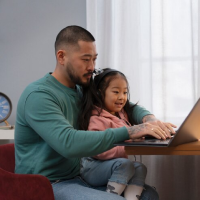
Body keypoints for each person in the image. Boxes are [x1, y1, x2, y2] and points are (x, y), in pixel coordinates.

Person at [14, 25, 176, 200]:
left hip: (80, 177)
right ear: (61, 57)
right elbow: (69, 143)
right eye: (85, 59)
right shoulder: (39, 95)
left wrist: (150, 120)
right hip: (48, 184)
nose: (91, 67)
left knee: (149, 195)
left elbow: (127, 106)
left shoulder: (82, 89)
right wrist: (130, 131)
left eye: (94, 59)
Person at [80, 68, 149, 200]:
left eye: (125, 92)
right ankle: (111, 197)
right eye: (116, 92)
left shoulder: (122, 115)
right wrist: (128, 143)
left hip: (114, 165)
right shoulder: (97, 118)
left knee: (140, 167)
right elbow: (98, 151)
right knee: (125, 165)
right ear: (100, 93)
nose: (122, 97)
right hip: (93, 167)